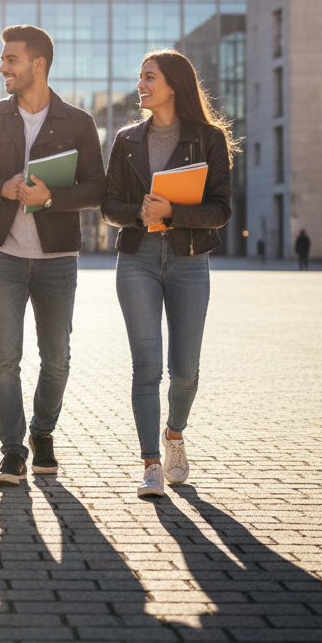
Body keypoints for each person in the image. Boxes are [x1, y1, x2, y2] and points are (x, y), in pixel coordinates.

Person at [0, 26, 105, 485]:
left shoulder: (78, 122)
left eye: (11, 60)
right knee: (4, 359)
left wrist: (50, 199)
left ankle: (43, 432)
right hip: (1, 254)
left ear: (37, 65)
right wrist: (2, 188)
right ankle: (12, 451)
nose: (3, 67)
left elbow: (97, 188)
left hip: (57, 257)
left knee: (56, 358)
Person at [101, 48, 236, 499]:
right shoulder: (126, 139)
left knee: (185, 370)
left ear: (174, 84)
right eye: (140, 77)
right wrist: (141, 212)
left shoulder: (208, 138)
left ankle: (174, 435)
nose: (141, 85)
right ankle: (150, 464)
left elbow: (220, 210)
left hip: (189, 260)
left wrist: (173, 212)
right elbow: (108, 205)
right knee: (146, 367)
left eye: (149, 77)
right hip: (137, 258)